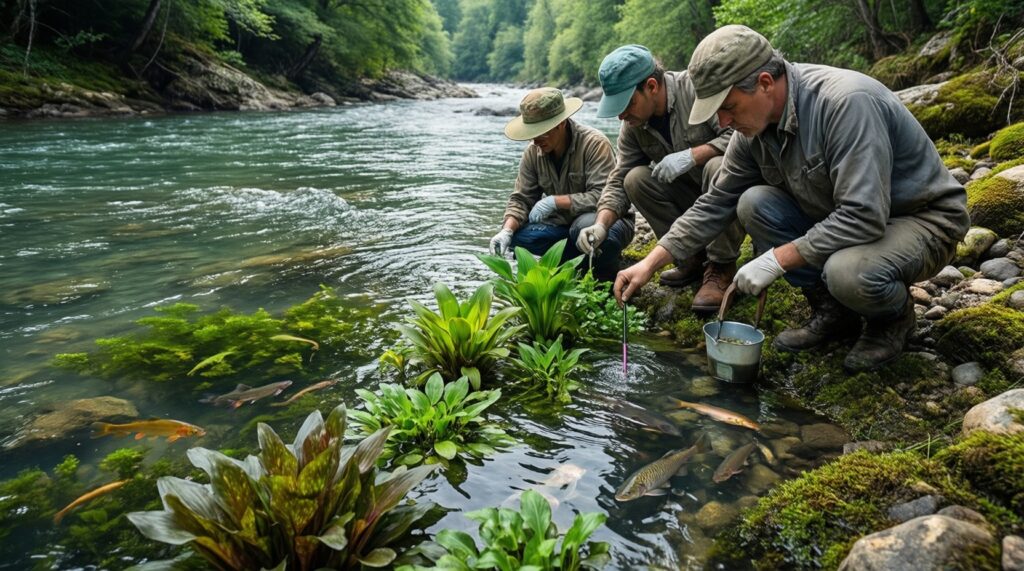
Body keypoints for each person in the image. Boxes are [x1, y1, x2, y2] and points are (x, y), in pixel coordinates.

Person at [614, 25, 970, 372]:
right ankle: (835, 312)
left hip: (919, 218)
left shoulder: (845, 103)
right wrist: (649, 263)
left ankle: (893, 319)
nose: (722, 122)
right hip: (844, 217)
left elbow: (863, 215)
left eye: (728, 107)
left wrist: (776, 260)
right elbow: (716, 201)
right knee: (753, 201)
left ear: (765, 84)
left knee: (847, 272)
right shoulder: (751, 130)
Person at [576, 44, 745, 312]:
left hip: (726, 197)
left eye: (627, 104)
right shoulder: (632, 124)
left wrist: (694, 154)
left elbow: (741, 135)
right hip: (690, 198)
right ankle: (689, 257)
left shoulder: (697, 90)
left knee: (717, 165)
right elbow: (620, 176)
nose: (622, 115)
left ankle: (720, 266)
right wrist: (601, 224)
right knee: (635, 178)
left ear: (652, 86)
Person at [489, 87, 634, 281]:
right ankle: (576, 262)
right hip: (563, 225)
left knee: (582, 228)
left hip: (606, 221)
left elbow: (604, 195)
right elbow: (521, 199)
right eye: (532, 133)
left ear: (561, 123)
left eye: (541, 132)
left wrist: (556, 202)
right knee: (519, 239)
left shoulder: (594, 144)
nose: (535, 139)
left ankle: (603, 276)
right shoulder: (532, 153)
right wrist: (506, 230)